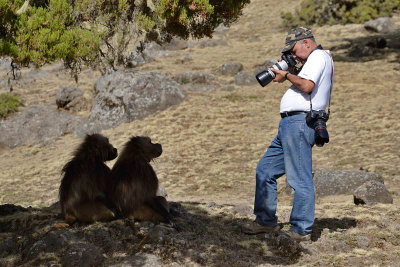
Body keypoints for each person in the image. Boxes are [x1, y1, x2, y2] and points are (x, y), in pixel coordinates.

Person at [242, 27, 334, 242]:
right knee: (265, 170)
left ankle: (301, 229)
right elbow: (304, 82)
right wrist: (288, 74)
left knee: (299, 177)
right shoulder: (311, 60)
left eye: (293, 50)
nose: (292, 55)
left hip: (300, 123)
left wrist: (288, 75)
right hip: (289, 124)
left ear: (306, 43)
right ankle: (265, 222)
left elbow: (308, 86)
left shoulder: (318, 56)